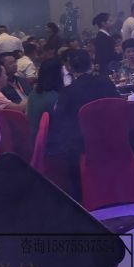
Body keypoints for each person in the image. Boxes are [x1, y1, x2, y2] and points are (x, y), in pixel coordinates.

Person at [47, 50, 117, 196]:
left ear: (71, 68)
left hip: (84, 142)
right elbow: (118, 105)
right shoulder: (106, 82)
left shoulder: (67, 92)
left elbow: (60, 119)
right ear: (91, 65)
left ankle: (79, 193)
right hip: (112, 136)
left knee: (66, 140)